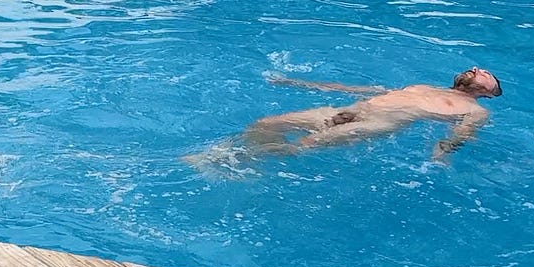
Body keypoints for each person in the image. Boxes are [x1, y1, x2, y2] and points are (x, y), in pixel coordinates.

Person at [184, 67, 502, 170]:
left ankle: (227, 162)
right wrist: (300, 83)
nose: (477, 69)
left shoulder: (476, 110)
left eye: (485, 74)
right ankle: (249, 166)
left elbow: (461, 135)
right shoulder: (422, 86)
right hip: (354, 110)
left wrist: (441, 155)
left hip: (378, 123)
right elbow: (359, 89)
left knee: (305, 144)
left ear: (488, 93)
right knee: (267, 124)